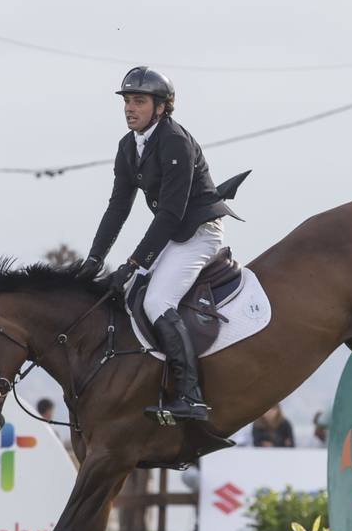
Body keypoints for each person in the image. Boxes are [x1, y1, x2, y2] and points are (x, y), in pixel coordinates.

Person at [75, 66, 241, 424]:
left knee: (156, 300)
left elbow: (170, 213)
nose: (129, 108)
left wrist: (134, 263)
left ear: (161, 107)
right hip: (173, 233)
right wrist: (94, 257)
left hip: (199, 231)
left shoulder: (175, 141)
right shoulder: (128, 147)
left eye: (139, 101)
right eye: (127, 101)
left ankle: (190, 396)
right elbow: (118, 207)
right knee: (126, 297)